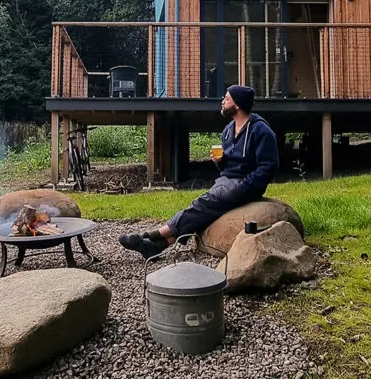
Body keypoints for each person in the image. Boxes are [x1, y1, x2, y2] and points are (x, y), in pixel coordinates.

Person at [118, 84, 279, 259]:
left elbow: (269, 166)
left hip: (247, 184)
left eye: (227, 98)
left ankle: (150, 235)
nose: (222, 101)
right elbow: (228, 167)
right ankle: (158, 246)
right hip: (227, 181)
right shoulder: (228, 131)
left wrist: (246, 185)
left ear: (237, 104)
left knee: (202, 204)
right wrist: (221, 161)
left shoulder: (260, 130)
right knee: (206, 210)